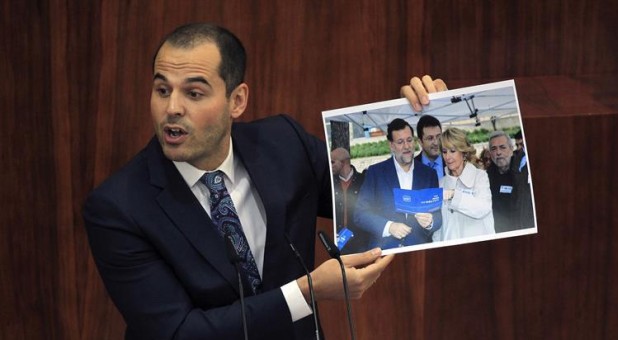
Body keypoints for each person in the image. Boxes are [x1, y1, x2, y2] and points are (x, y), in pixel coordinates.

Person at [82, 23, 399, 339]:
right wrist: (306, 291)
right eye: (162, 90)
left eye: (193, 93)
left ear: (237, 100)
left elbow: (377, 193)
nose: (172, 109)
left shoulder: (284, 144)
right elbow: (178, 332)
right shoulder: (118, 207)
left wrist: (427, 113)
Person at [352, 118, 442, 251]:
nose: (406, 146)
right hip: (384, 250)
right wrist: (389, 227)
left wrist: (430, 222)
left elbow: (438, 214)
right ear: (391, 145)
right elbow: (360, 214)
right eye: (400, 142)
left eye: (409, 140)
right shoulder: (375, 173)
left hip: (419, 251)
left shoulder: (429, 174)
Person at [433, 127, 494, 241]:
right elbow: (439, 228)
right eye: (444, 152)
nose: (447, 157)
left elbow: (483, 209)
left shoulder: (480, 177)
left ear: (464, 152)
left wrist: (454, 195)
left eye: (452, 151)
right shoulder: (440, 183)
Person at [486, 130, 534, 232]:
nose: (498, 152)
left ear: (511, 149)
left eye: (502, 147)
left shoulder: (523, 173)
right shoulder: (486, 177)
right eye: (494, 149)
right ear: (490, 153)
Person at [330, 147, 366, 253]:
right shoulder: (331, 183)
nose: (330, 165)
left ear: (343, 162)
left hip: (361, 240)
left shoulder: (363, 180)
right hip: (338, 241)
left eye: (333, 162)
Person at [414, 115, 444, 181]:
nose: (436, 143)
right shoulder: (412, 167)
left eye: (438, 137)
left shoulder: (451, 161)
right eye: (430, 138)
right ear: (420, 142)